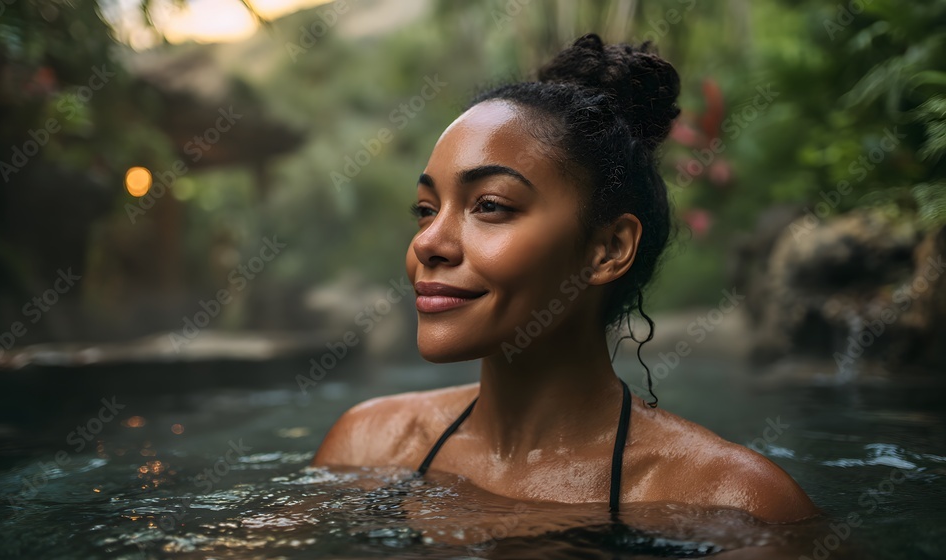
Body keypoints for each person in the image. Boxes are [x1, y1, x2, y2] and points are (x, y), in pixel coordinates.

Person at [312, 33, 819, 524]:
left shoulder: (733, 502)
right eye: (426, 209)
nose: (426, 243)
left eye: (490, 205)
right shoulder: (369, 445)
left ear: (608, 250)